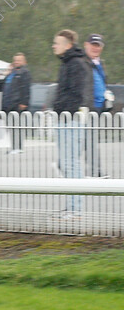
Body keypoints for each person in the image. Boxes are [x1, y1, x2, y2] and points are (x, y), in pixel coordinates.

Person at [52, 29, 93, 217]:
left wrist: (62, 108)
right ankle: (72, 206)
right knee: (64, 162)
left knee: (71, 163)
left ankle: (75, 208)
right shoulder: (67, 63)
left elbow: (77, 94)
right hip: (64, 118)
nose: (54, 45)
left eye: (57, 42)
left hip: (71, 119)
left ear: (68, 45)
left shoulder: (76, 64)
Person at [83, 33, 111, 178]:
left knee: (90, 141)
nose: (95, 48)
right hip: (87, 108)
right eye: (93, 45)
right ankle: (95, 171)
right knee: (87, 140)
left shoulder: (99, 63)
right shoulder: (83, 62)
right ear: (86, 45)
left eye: (98, 46)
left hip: (98, 108)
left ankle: (95, 171)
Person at [0, 53, 31, 154]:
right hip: (7, 105)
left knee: (17, 127)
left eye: (19, 60)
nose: (16, 62)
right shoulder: (10, 74)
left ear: (24, 62)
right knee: (10, 127)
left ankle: (18, 147)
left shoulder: (24, 73)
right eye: (15, 60)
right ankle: (14, 147)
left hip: (17, 105)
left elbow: (26, 89)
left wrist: (24, 103)